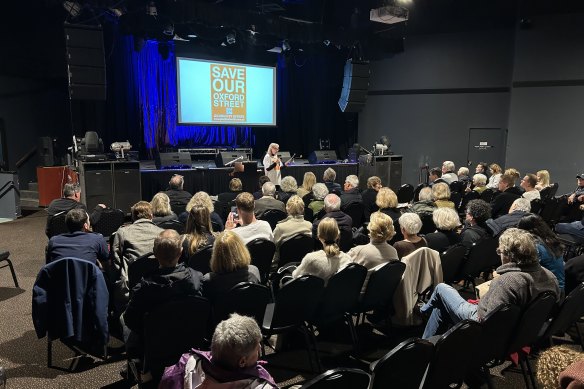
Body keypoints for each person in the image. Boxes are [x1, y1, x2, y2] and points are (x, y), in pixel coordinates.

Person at [420, 228, 560, 339]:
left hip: (480, 327)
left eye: (500, 251)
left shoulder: (508, 281)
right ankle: (428, 344)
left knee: (441, 288)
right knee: (442, 307)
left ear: (508, 255)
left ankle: (421, 311)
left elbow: (485, 319)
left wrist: (486, 297)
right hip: (520, 332)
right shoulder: (550, 276)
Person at [122, 229, 203, 358]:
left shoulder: (143, 288)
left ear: (154, 254)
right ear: (181, 252)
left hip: (155, 344)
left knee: (123, 318)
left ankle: (137, 360)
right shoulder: (197, 278)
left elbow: (130, 320)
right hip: (189, 339)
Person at [159, 313, 277, 389]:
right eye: (256, 349)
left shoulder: (181, 369)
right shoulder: (261, 386)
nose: (260, 350)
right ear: (242, 361)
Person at [111, 201, 164, 312]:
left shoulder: (122, 232)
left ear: (133, 217)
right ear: (151, 216)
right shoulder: (162, 233)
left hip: (130, 290)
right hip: (159, 287)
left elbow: (116, 263)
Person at [202, 231, 261, 303]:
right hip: (250, 313)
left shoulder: (208, 280)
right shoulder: (253, 272)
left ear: (216, 255)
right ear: (241, 250)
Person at [348, 212, 398, 291]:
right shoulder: (393, 251)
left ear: (370, 228)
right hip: (381, 293)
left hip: (358, 294)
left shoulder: (358, 251)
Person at [292, 218, 351, 284]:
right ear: (337, 235)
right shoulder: (347, 259)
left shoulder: (311, 259)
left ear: (319, 236)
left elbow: (295, 276)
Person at [518, 214, 565, 291]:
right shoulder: (551, 239)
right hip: (559, 288)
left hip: (549, 292)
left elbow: (526, 272)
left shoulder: (535, 247)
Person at [273, 195, 312, 263]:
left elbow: (272, 248)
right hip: (304, 263)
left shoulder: (280, 227)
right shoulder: (309, 225)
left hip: (283, 265)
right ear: (303, 209)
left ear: (287, 209)